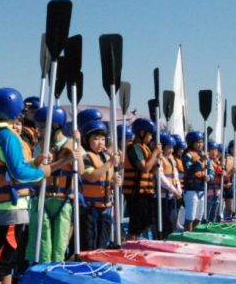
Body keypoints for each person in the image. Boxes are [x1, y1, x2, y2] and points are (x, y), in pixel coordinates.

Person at [0, 88, 48, 284]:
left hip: (3, 203)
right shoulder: (6, 135)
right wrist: (42, 172)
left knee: (7, 258)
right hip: (10, 205)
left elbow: (12, 166)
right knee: (1, 259)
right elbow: (18, 172)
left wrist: (34, 162)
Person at [26, 105, 81, 263]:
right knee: (42, 239)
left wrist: (78, 142)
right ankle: (41, 268)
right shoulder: (39, 146)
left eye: (42, 127)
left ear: (55, 126)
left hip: (63, 200)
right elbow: (42, 171)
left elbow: (81, 171)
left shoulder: (71, 144)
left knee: (60, 242)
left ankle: (57, 267)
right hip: (42, 199)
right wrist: (65, 160)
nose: (38, 131)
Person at [78, 120, 121, 252]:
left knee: (102, 244)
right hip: (88, 209)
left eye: (102, 139)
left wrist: (116, 181)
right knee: (89, 245)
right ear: (86, 140)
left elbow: (110, 179)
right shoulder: (86, 157)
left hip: (104, 208)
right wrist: (110, 164)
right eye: (96, 139)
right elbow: (91, 177)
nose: (100, 142)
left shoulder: (106, 157)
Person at [122, 118, 162, 241]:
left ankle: (136, 242)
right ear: (141, 132)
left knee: (145, 220)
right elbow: (144, 168)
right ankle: (130, 245)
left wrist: (156, 164)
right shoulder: (135, 148)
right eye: (149, 133)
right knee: (136, 221)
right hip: (135, 191)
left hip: (145, 191)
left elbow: (150, 170)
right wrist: (155, 153)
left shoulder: (145, 148)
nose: (151, 137)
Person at [181, 131, 213, 231]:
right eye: (198, 142)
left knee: (199, 216)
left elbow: (211, 170)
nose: (200, 145)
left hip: (202, 189)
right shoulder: (187, 155)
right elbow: (189, 170)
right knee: (190, 215)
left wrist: (209, 177)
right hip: (191, 189)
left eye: (202, 142)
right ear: (191, 143)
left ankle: (195, 233)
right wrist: (200, 160)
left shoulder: (204, 155)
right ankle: (187, 233)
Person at [157, 133, 182, 239]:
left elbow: (175, 176)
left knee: (170, 220)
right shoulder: (159, 159)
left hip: (172, 194)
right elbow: (161, 177)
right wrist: (173, 190)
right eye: (168, 147)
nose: (171, 150)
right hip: (162, 195)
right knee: (163, 220)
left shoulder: (172, 159)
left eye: (172, 148)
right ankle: (161, 238)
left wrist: (178, 189)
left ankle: (169, 238)